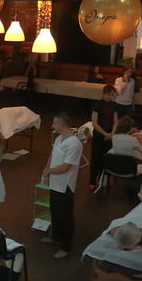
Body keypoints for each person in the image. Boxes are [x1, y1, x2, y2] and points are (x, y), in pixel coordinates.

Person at [41, 111, 82, 259]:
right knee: (55, 211)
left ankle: (66, 246)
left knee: (65, 216)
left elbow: (66, 167)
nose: (52, 126)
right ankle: (56, 236)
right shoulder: (59, 138)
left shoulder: (74, 144)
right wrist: (46, 173)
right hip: (55, 183)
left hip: (65, 186)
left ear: (62, 124)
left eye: (55, 123)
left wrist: (49, 171)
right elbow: (52, 156)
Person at [110, 116, 142, 200]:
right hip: (129, 170)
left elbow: (122, 140)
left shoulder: (114, 137)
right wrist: (139, 138)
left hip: (114, 168)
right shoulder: (132, 140)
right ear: (130, 128)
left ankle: (104, 183)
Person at [89, 84, 118, 190]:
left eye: (113, 95)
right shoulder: (97, 105)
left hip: (109, 136)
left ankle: (102, 180)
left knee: (105, 159)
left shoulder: (113, 105)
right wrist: (105, 134)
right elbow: (94, 123)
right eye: (109, 95)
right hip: (98, 136)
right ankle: (92, 181)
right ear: (104, 94)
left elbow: (115, 121)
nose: (111, 97)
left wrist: (112, 133)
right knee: (95, 159)